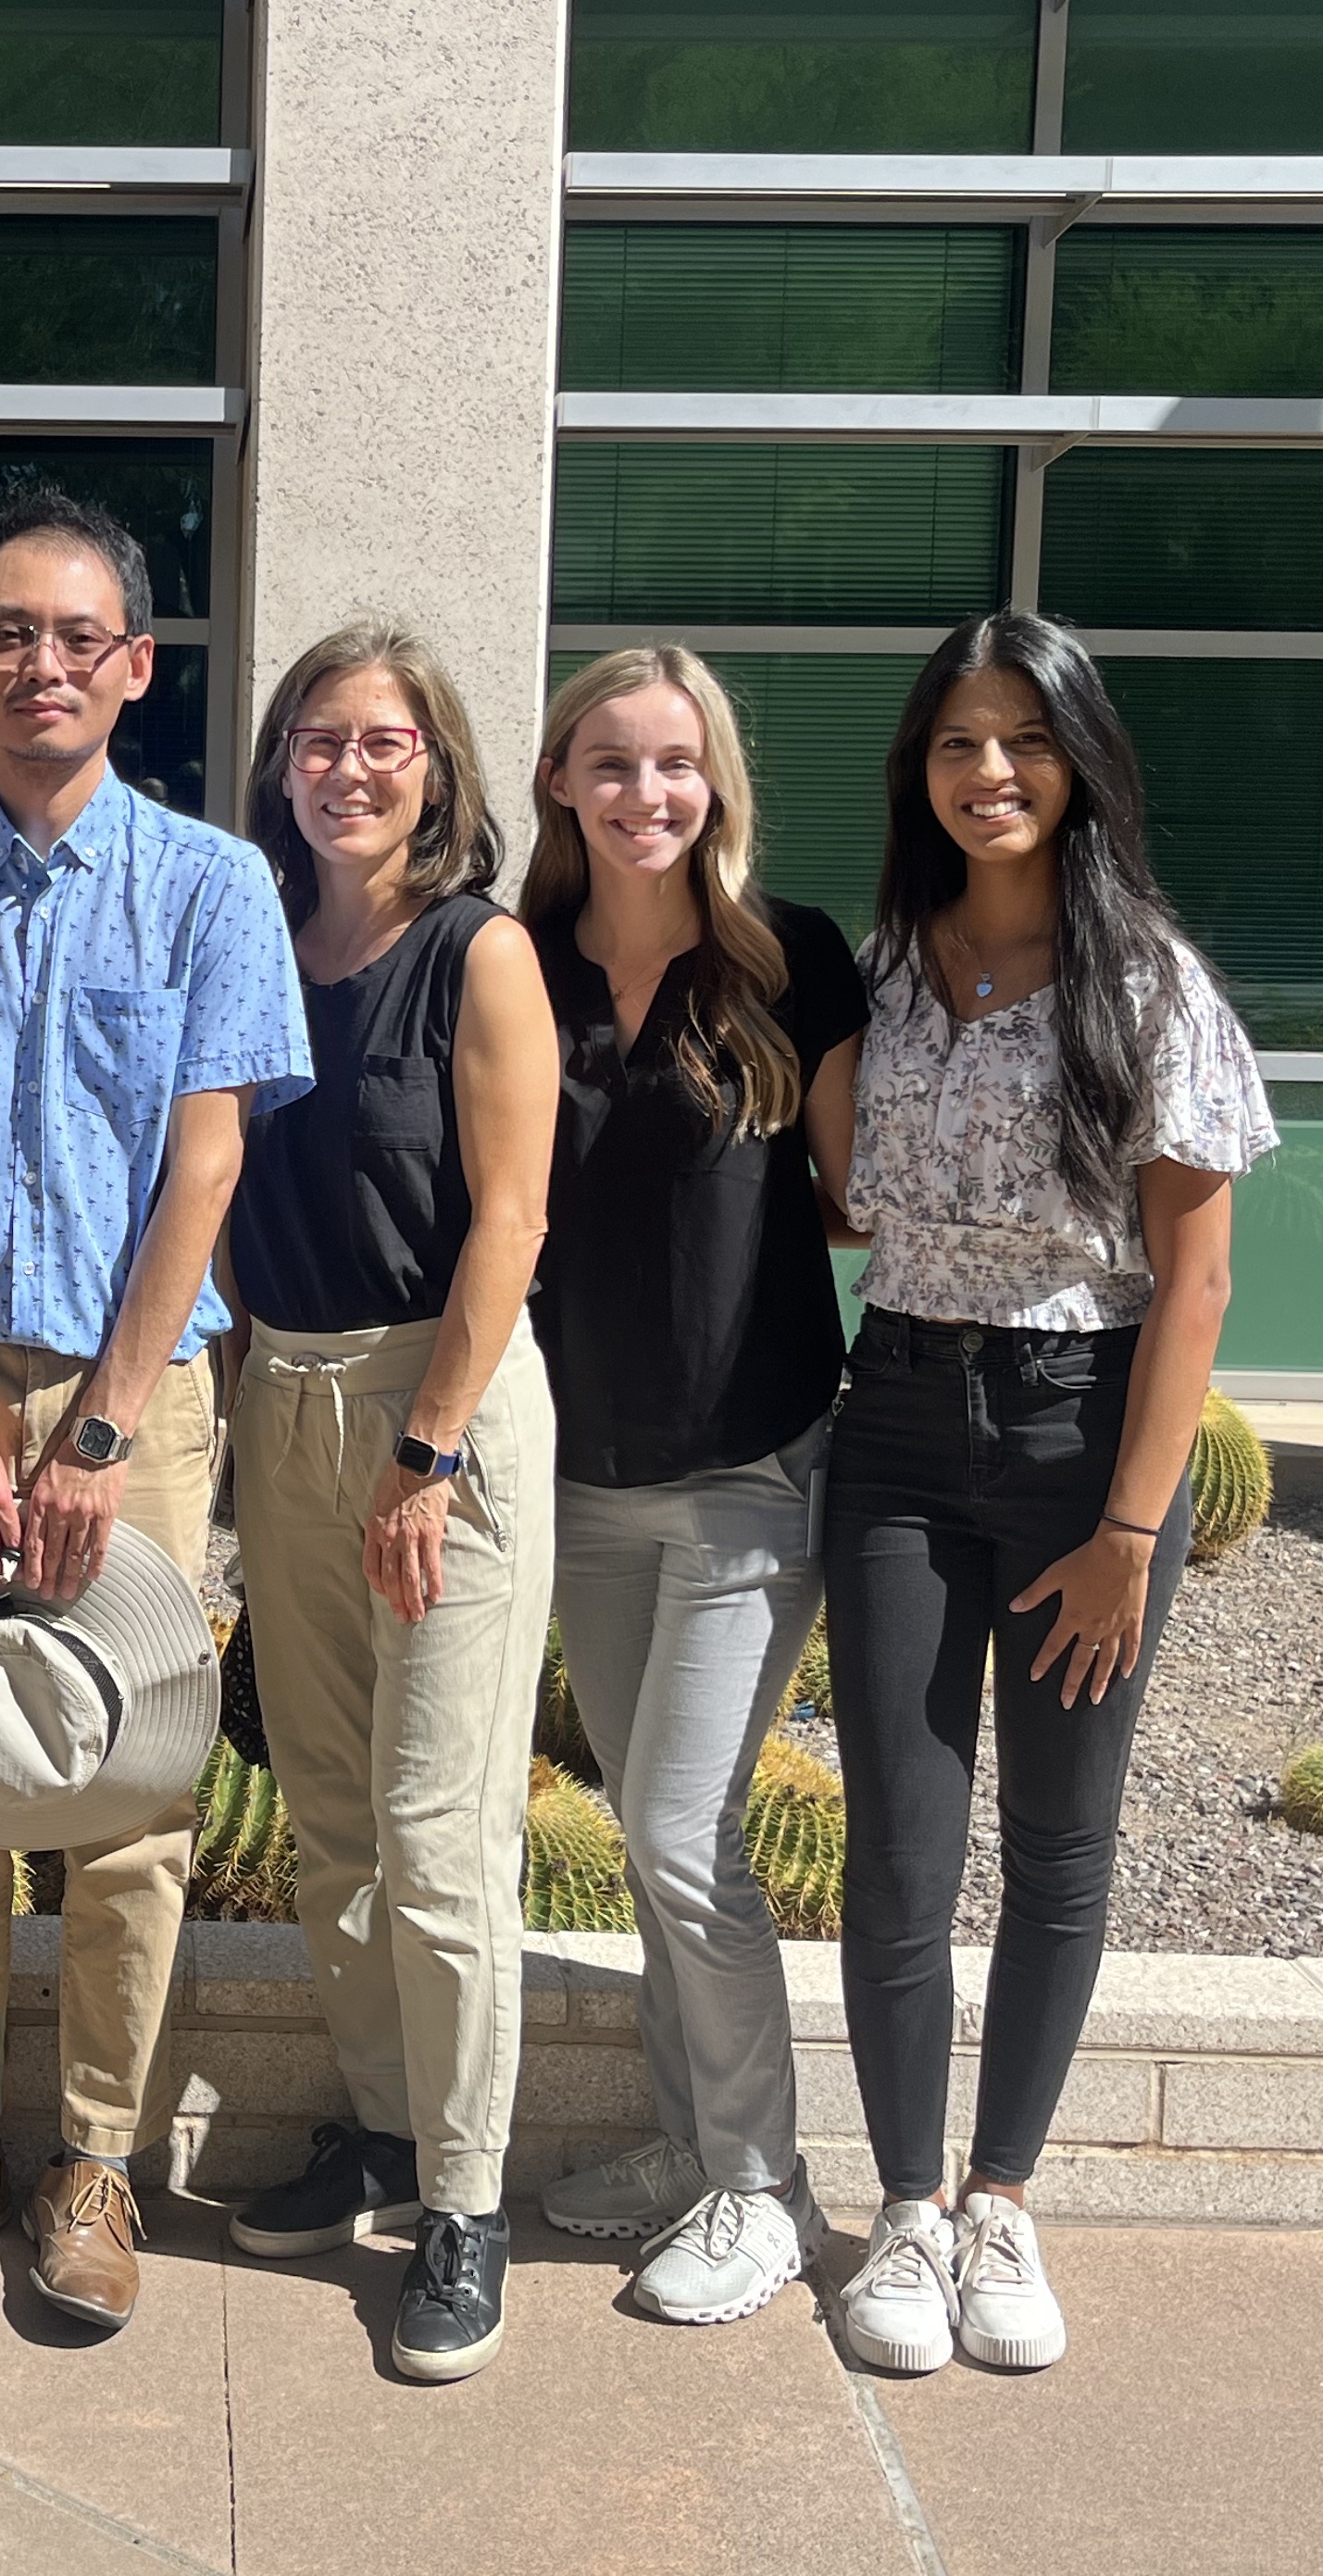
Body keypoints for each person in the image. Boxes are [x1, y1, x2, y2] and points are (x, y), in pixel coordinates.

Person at [0, 489, 312, 2336]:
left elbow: (208, 1163)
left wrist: (102, 1431)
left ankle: (98, 2160)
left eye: (78, 636)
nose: (44, 664)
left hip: (145, 1394)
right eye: (9, 634)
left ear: (138, 667)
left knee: (130, 1792)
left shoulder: (213, 885)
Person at [823, 610, 1271, 2379]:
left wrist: (1130, 1536)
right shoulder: (883, 970)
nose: (990, 771)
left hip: (1084, 1439)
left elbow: (1197, 1282)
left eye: (1023, 739)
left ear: (1080, 761)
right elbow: (847, 1207)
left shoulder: (1149, 986)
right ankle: (905, 2207)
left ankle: (1003, 2198)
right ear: (918, 772)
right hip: (897, 1423)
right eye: (957, 741)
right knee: (898, 1847)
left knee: (1061, 1845)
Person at [218, 623, 557, 2384]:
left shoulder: (476, 954)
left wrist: (426, 1451)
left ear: (438, 770)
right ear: (279, 765)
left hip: (445, 1405)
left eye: (385, 741)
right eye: (318, 739)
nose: (348, 768)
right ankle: (382, 2126)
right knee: (335, 1818)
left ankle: (469, 2199)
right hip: (284, 1392)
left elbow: (512, 1216)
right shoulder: (252, 943)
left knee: (439, 1831)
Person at [519, 648, 867, 2328]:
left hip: (749, 1463)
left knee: (677, 1833)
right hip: (584, 1473)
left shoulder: (789, 960)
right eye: (610, 762)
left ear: (715, 780)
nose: (644, 793)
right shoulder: (516, 961)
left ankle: (760, 2187)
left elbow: (863, 1196)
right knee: (648, 1831)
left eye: (674, 763)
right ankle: (689, 2143)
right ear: (560, 782)